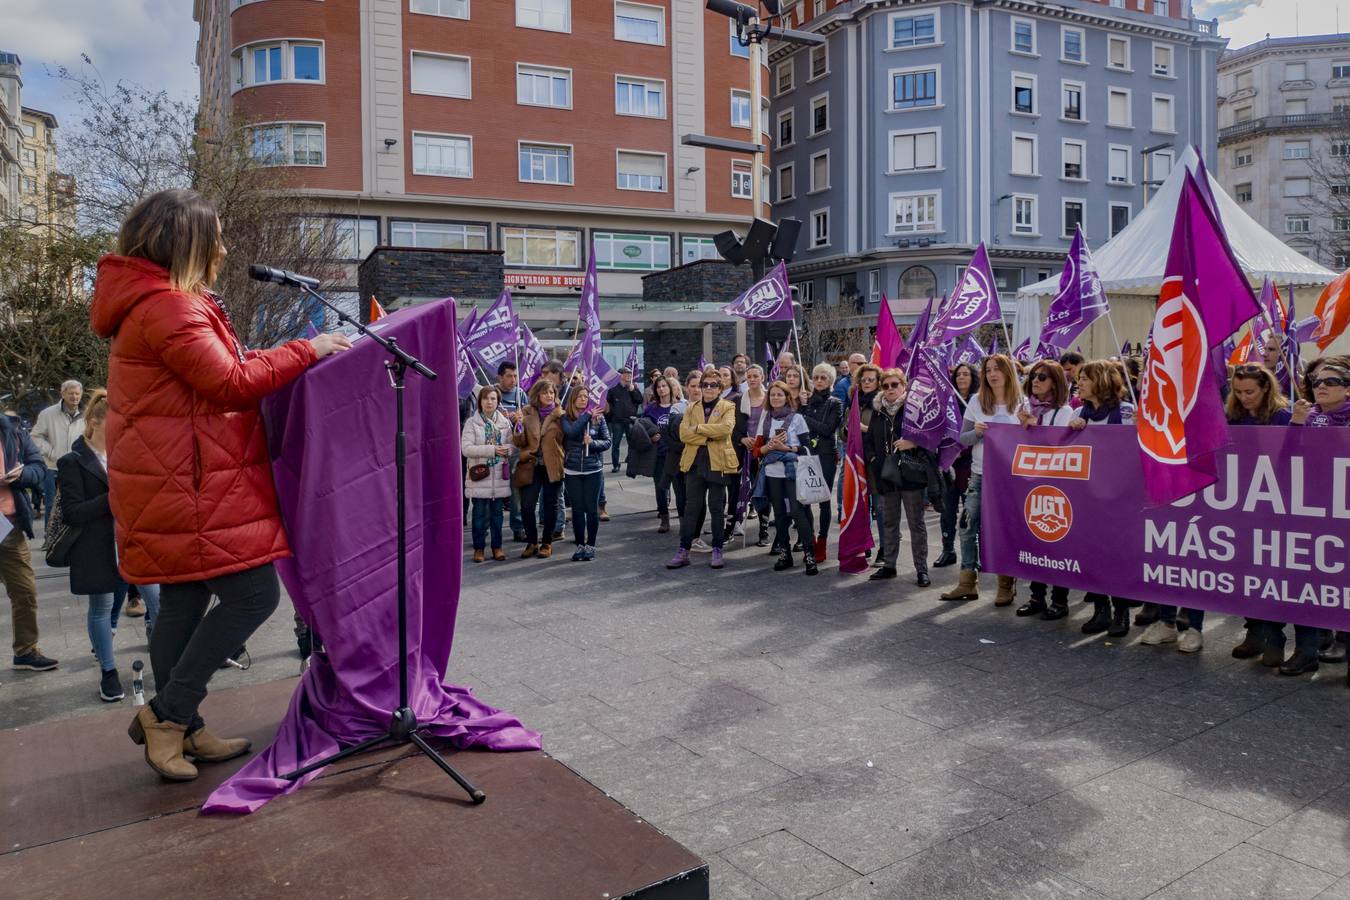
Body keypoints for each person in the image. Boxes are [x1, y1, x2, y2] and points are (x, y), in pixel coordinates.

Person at [90, 189, 352, 782]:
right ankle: (169, 714)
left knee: (183, 600)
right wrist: (308, 348)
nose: (224, 248)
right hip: (188, 485)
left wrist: (288, 354)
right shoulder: (169, 307)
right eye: (216, 237)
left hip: (175, 481)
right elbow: (231, 381)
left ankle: (183, 726)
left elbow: (218, 365)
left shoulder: (156, 303)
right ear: (186, 243)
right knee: (255, 595)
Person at [57, 389, 163, 701]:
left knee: (158, 604)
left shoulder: (129, 454)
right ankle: (108, 671)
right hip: (96, 548)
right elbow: (72, 512)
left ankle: (164, 663)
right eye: (113, 424)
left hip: (136, 543)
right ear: (93, 422)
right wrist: (114, 497)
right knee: (101, 608)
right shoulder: (72, 461)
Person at [941, 354, 1023, 604]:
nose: (992, 374)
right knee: (967, 528)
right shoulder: (977, 402)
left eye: (997, 369)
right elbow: (962, 438)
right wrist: (975, 433)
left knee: (1002, 531)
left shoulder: (1021, 403)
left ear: (1008, 372)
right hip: (978, 476)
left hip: (1008, 478)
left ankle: (1005, 584)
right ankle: (967, 582)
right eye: (988, 370)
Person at [1068, 360, 1138, 637]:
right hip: (1087, 497)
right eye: (1080, 378)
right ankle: (1100, 609)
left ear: (1102, 381)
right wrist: (1071, 432)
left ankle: (1121, 611)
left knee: (1117, 557)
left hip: (1119, 497)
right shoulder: (1077, 413)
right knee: (1090, 554)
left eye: (1085, 378)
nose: (1079, 382)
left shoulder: (1126, 411)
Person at [1014, 361, 1074, 620]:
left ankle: (1059, 600)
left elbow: (1057, 443)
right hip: (1031, 484)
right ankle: (1036, 596)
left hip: (1058, 487)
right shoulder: (1025, 408)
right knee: (1034, 541)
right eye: (1033, 376)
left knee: (1059, 543)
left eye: (1042, 377)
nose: (1035, 381)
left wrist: (1033, 425)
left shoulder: (1064, 411)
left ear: (1056, 382)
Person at [867, 370, 935, 585]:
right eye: (885, 385)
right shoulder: (877, 412)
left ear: (904, 385)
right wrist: (873, 460)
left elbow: (932, 436)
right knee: (889, 523)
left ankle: (921, 570)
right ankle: (889, 565)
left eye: (894, 384)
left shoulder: (913, 409)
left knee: (916, 524)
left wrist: (913, 443)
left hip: (910, 474)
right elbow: (869, 440)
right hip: (886, 476)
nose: (890, 389)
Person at [1, 405, 55, 672]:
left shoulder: (13, 432)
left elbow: (39, 468)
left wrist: (21, 475)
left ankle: (25, 650)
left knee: (25, 591)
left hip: (8, 528)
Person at [667, 373, 738, 570]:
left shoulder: (728, 406)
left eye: (713, 385)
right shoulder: (691, 407)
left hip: (718, 463)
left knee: (716, 508)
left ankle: (717, 549)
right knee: (692, 508)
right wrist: (708, 435)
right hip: (695, 463)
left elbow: (725, 430)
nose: (707, 388)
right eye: (704, 384)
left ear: (720, 387)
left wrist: (698, 428)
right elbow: (683, 434)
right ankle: (684, 550)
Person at [752, 381, 817, 575]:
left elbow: (808, 447)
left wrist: (788, 448)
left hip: (793, 472)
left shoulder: (797, 419)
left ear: (787, 397)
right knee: (779, 515)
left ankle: (810, 554)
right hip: (772, 474)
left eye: (779, 394)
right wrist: (769, 447)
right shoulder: (765, 419)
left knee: (798, 513)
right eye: (772, 395)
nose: (776, 398)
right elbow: (757, 451)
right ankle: (785, 553)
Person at [513, 379, 565, 559]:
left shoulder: (560, 415)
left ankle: (547, 543)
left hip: (553, 465)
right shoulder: (526, 412)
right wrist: (518, 426)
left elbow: (566, 440)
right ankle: (532, 541)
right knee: (527, 506)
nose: (549, 396)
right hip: (531, 465)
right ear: (537, 395)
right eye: (545, 393)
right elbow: (519, 442)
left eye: (551, 393)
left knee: (551, 506)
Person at [461, 386, 513, 563]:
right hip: (480, 476)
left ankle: (497, 547)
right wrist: (493, 450)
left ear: (498, 401)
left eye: (493, 399)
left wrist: (507, 450)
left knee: (498, 516)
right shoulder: (471, 423)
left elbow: (512, 446)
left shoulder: (505, 423)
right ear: (480, 402)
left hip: (499, 477)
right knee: (479, 516)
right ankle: (479, 548)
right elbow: (466, 448)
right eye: (485, 399)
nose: (489, 402)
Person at [561, 386, 611, 561]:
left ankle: (591, 545)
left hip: (593, 470)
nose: (583, 399)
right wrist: (587, 415)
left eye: (586, 396)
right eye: (580, 396)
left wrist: (594, 443)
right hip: (573, 470)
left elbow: (607, 442)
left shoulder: (599, 418)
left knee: (591, 509)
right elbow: (571, 432)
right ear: (573, 398)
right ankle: (580, 545)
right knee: (577, 509)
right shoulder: (565, 417)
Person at [936, 363, 978, 568]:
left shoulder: (978, 402)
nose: (961, 378)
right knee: (947, 510)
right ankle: (948, 549)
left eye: (966, 374)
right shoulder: (948, 401)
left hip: (969, 464)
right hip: (948, 465)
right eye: (958, 375)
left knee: (970, 511)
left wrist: (962, 451)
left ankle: (974, 556)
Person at [800, 363, 843, 563]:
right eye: (815, 377)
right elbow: (797, 425)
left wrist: (806, 417)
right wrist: (802, 407)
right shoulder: (805, 401)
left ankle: (823, 542)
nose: (818, 381)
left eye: (823, 377)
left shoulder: (835, 403)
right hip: (806, 454)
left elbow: (827, 429)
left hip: (826, 455)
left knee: (824, 501)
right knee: (805, 499)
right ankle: (810, 539)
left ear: (831, 381)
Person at [30, 379, 85, 528]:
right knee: (51, 505)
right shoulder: (47, 414)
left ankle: (71, 538)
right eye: (71, 393)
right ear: (63, 394)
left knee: (76, 502)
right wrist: (51, 452)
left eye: (77, 393)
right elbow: (35, 436)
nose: (74, 397)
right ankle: (50, 539)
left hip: (78, 467)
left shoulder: (87, 414)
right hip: (53, 467)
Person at [735, 365, 771, 547]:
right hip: (744, 450)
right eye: (749, 376)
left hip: (764, 450)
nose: (752, 379)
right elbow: (734, 425)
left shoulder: (770, 398)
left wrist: (763, 444)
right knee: (744, 488)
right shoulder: (739, 399)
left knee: (763, 489)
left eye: (756, 376)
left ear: (762, 377)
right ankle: (736, 523)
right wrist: (742, 438)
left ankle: (764, 528)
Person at [642, 376, 679, 533]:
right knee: (660, 487)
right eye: (658, 387)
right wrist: (650, 436)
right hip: (659, 454)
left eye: (664, 386)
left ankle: (685, 519)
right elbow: (641, 427)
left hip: (677, 453)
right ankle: (664, 518)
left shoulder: (679, 407)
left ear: (670, 388)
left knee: (679, 488)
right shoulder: (650, 409)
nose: (661, 389)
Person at [497, 362, 528, 543]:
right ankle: (489, 528)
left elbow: (528, 418)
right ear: (500, 377)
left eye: (515, 376)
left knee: (516, 491)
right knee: (493, 492)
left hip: (515, 449)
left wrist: (521, 419)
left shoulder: (520, 394)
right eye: (509, 376)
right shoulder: (492, 392)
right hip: (495, 449)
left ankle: (518, 527)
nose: (513, 380)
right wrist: (504, 417)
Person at [605, 367, 642, 475]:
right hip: (617, 421)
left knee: (632, 443)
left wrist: (633, 391)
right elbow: (608, 404)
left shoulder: (633, 387)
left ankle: (632, 463)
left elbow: (640, 400)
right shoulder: (613, 388)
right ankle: (616, 465)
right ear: (620, 375)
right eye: (627, 374)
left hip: (630, 421)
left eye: (630, 374)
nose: (629, 375)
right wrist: (612, 416)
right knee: (615, 444)